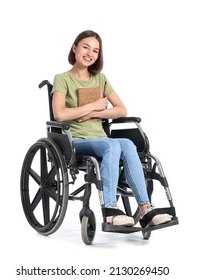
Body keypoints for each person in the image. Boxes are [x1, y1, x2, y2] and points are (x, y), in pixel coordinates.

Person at [51, 30, 172, 227]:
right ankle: (110, 210)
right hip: (75, 142)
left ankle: (145, 209)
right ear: (74, 48)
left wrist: (91, 114)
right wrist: (93, 105)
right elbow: (60, 114)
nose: (90, 53)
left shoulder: (101, 79)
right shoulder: (62, 78)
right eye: (86, 47)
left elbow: (121, 110)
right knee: (112, 146)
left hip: (102, 139)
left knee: (126, 143)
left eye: (96, 50)